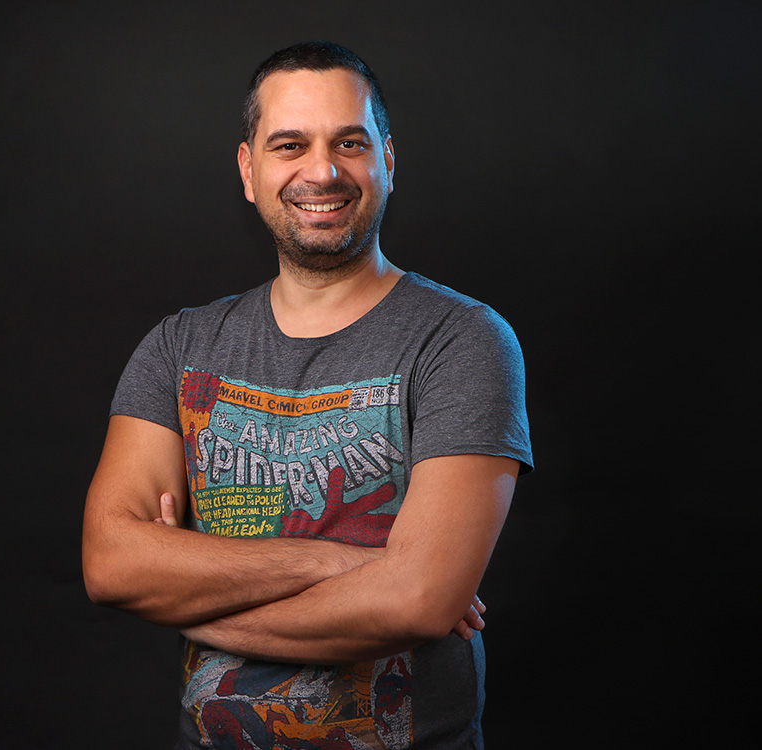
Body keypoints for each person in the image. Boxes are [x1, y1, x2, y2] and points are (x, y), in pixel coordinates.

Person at [82, 41, 533, 749]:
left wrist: (190, 597)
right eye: (290, 145)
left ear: (388, 160)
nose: (322, 171)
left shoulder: (463, 341)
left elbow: (418, 601)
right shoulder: (179, 347)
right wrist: (342, 562)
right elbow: (112, 565)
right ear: (249, 170)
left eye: (349, 143)